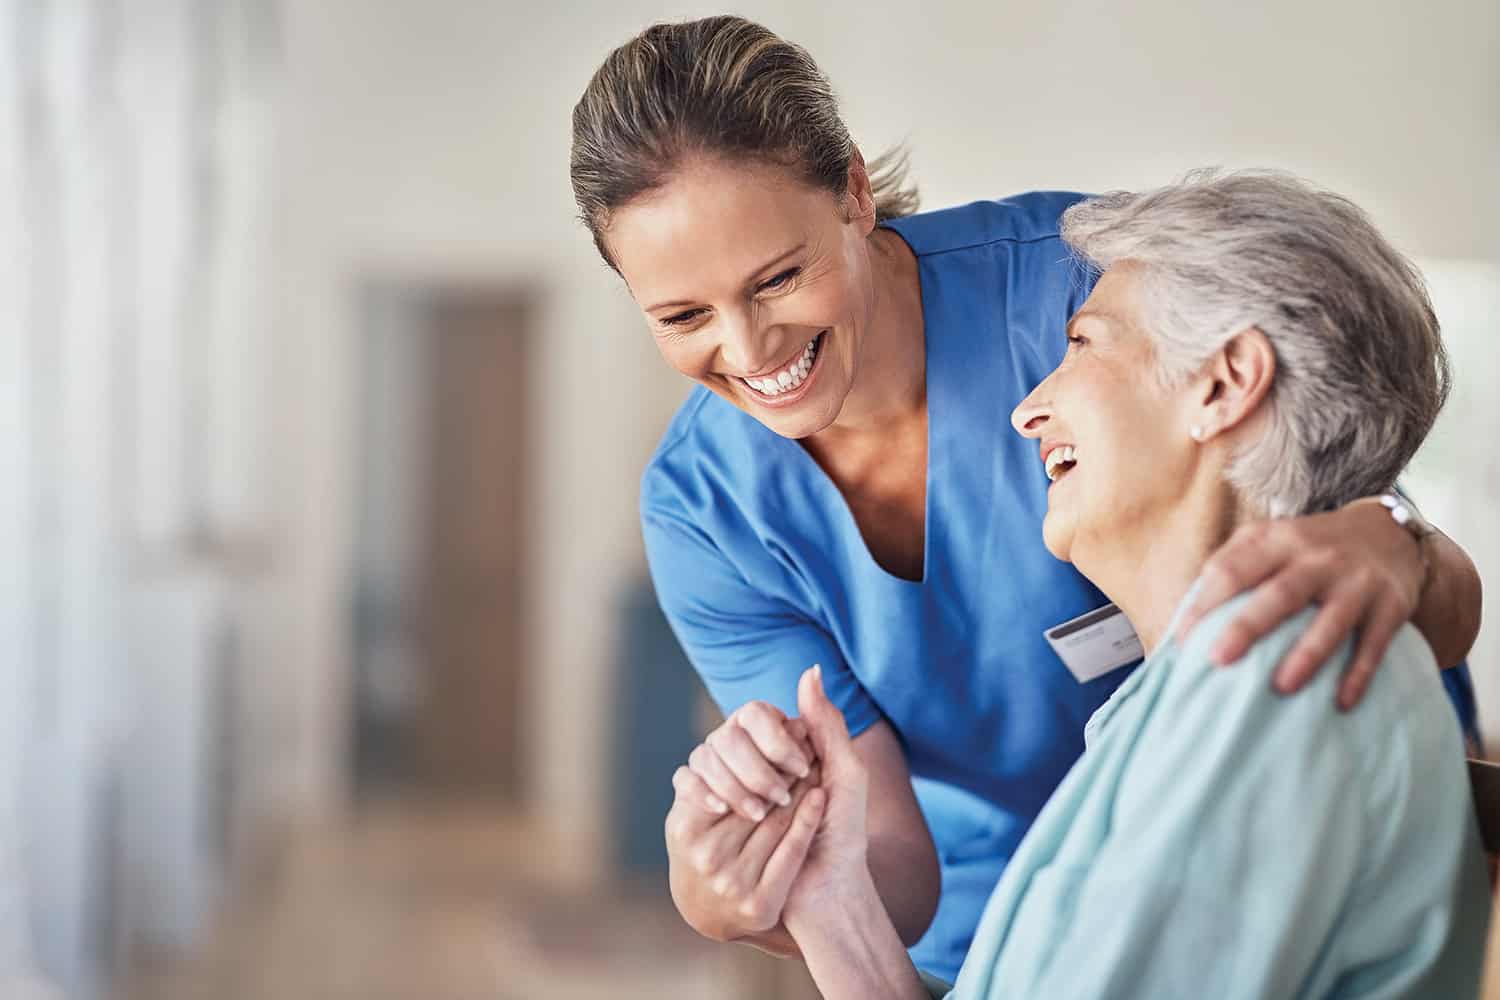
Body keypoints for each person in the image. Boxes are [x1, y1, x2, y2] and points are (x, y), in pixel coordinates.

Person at [568, 15, 1484, 982]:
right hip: (1012, 923)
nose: (750, 352)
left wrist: (1392, 540)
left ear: (853, 191)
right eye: (681, 316)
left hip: (1263, 816)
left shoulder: (1092, 288)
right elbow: (874, 847)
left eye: (779, 277)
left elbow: (1345, 467)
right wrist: (769, 888)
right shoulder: (705, 507)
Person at [767, 169, 1491, 998]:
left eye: (1082, 344)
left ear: (1223, 385)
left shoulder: (1276, 679)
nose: (1027, 409)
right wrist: (831, 902)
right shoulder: (1191, 693)